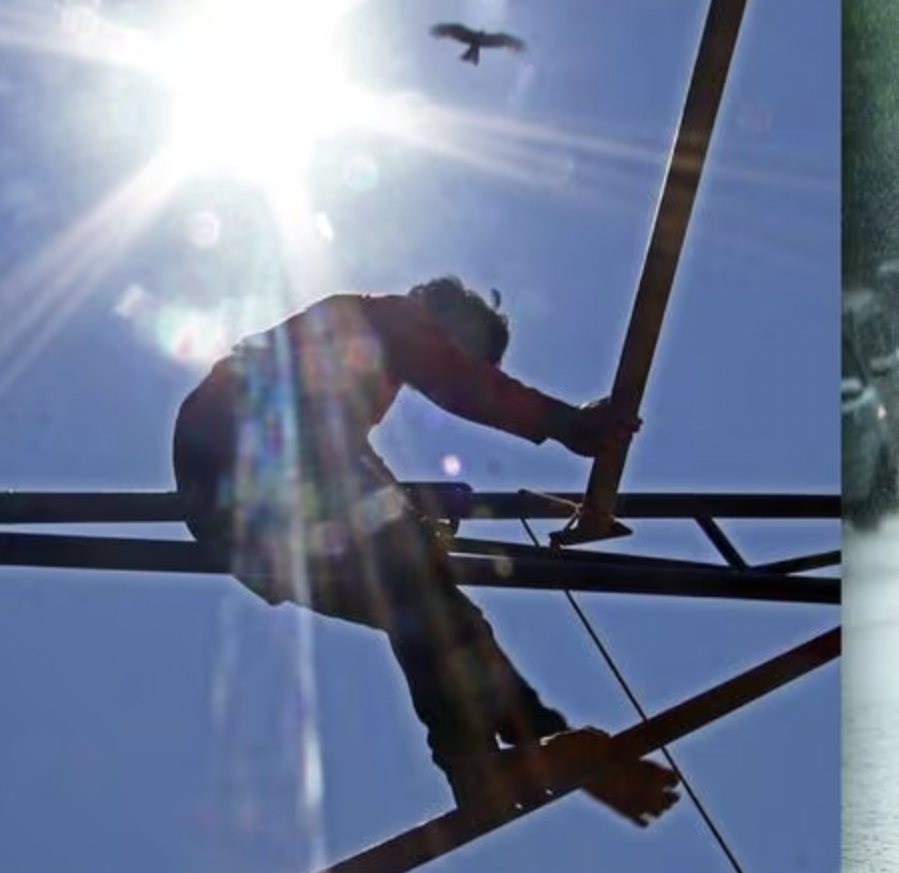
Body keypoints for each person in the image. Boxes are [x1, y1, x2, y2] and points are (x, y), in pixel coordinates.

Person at [171, 275, 679, 823]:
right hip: (240, 455)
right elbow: (448, 380)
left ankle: (492, 760)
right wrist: (567, 424)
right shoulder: (378, 317)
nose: (451, 362)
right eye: (463, 351)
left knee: (431, 610)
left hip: (254, 523)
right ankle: (480, 759)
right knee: (416, 581)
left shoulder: (347, 385)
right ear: (435, 313)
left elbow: (357, 464)